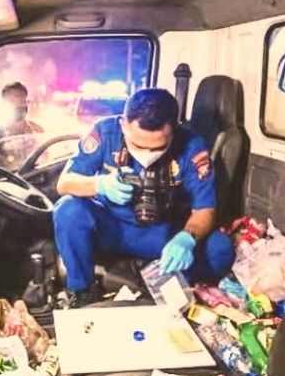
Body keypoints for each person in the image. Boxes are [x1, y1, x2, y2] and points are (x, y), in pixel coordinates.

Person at [54, 88, 235, 306]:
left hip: (161, 233)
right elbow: (64, 183)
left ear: (174, 130)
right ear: (123, 124)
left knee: (220, 249)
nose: (147, 155)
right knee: (68, 209)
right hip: (112, 227)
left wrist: (186, 239)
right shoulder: (105, 132)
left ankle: (168, 284)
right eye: (137, 145)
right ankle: (83, 290)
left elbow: (205, 209)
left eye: (158, 147)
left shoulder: (191, 145)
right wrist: (99, 185)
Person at [0, 82, 43, 160]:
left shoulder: (36, 130)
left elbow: (45, 158)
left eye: (22, 100)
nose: (19, 105)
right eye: (13, 101)